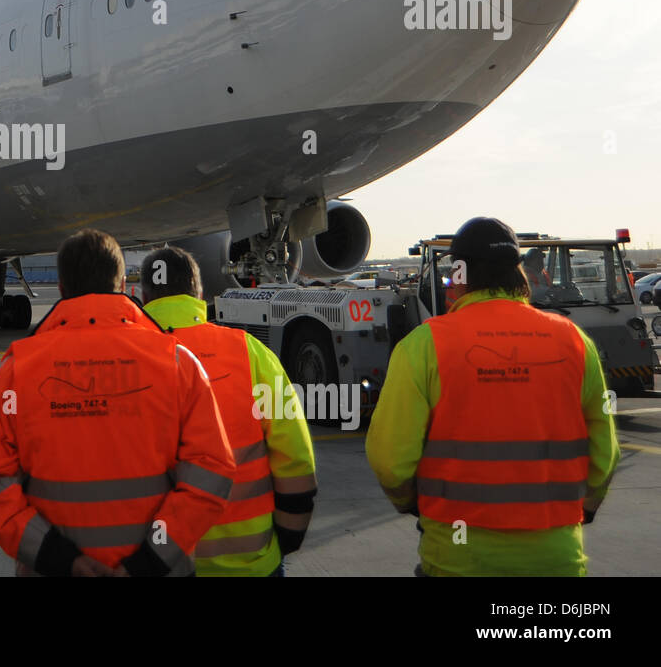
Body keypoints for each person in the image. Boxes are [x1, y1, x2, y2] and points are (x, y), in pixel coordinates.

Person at [0, 228, 236, 577]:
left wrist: (56, 557)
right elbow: (213, 470)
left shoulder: (18, 369)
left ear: (61, 287)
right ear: (122, 284)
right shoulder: (178, 362)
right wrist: (150, 560)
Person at [366, 217, 620, 577]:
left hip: (457, 557)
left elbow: (389, 459)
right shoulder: (574, 341)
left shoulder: (424, 344)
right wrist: (585, 508)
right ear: (518, 273)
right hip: (557, 557)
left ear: (458, 274)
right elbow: (605, 451)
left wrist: (414, 505)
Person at [140, 245, 317, 577]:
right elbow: (296, 456)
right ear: (199, 291)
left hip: (156, 562)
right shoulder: (250, 352)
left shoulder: (127, 359)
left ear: (142, 294)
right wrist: (290, 536)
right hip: (251, 562)